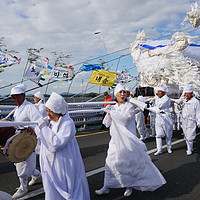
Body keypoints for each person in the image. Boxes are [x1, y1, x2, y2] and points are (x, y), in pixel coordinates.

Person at [95, 84, 166, 197]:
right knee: (110, 163)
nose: (123, 94)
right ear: (116, 95)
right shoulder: (113, 106)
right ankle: (106, 186)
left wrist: (111, 112)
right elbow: (107, 124)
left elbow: (125, 119)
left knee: (127, 164)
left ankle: (129, 186)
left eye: (124, 92)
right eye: (120, 92)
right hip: (115, 141)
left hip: (127, 141)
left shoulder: (129, 106)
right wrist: (108, 112)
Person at [34, 92, 90, 200]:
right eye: (47, 111)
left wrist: (43, 128)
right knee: (51, 187)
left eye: (51, 111)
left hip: (63, 162)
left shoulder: (67, 123)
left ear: (59, 111)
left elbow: (55, 144)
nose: (48, 114)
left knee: (65, 184)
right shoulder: (51, 122)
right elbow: (40, 136)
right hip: (50, 163)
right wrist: (41, 127)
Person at [11, 84, 42, 199]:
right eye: (13, 98)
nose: (15, 100)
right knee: (22, 162)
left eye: (17, 97)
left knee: (21, 163)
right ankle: (37, 175)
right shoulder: (17, 108)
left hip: (28, 140)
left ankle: (23, 188)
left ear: (23, 95)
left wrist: (32, 127)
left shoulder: (30, 107)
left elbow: (39, 122)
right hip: (19, 139)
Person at [180, 85, 200, 155]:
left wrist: (198, 122)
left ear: (191, 93)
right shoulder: (184, 101)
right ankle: (189, 147)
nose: (186, 95)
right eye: (185, 93)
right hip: (184, 121)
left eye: (188, 93)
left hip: (191, 121)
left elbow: (198, 112)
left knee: (190, 136)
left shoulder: (195, 102)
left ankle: (189, 149)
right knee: (186, 135)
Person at [154, 86, 173, 156]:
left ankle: (169, 148)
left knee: (168, 134)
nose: (158, 93)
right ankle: (159, 149)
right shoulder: (157, 99)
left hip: (165, 117)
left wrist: (155, 100)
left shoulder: (166, 99)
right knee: (158, 134)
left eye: (159, 91)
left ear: (164, 92)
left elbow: (159, 106)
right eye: (158, 91)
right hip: (158, 117)